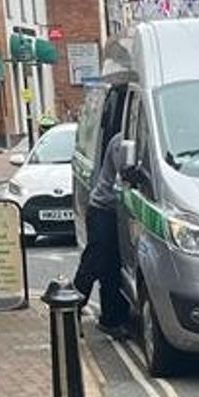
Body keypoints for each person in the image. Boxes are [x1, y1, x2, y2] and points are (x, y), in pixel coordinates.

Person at [73, 130, 132, 335]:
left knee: (112, 267)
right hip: (103, 210)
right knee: (94, 262)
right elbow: (126, 175)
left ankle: (110, 319)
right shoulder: (121, 141)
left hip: (120, 212)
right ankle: (71, 312)